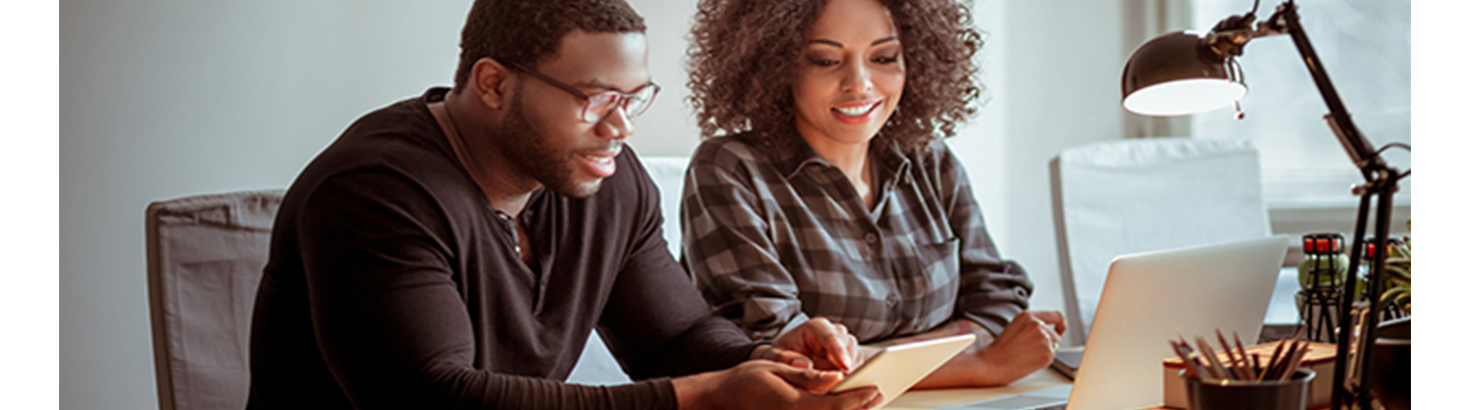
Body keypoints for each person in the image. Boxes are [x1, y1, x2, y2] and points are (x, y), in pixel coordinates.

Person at [246, 1, 878, 409]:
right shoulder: (374, 190)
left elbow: (676, 337)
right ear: (493, 83)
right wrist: (706, 396)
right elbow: (435, 399)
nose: (622, 128)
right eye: (597, 99)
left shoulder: (605, 180)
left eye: (635, 99)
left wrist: (770, 362)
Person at [682, 0, 1067, 388]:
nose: (859, 83)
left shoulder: (929, 159)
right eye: (825, 60)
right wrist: (981, 365)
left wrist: (871, 359)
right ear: (775, 65)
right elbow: (779, 356)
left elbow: (997, 299)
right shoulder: (729, 169)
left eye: (883, 57)